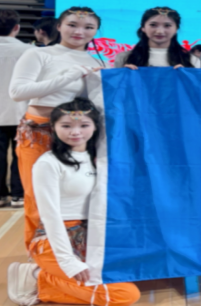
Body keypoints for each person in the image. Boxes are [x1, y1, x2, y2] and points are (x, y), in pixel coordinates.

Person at [7, 98, 140, 306]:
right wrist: (67, 261)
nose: (75, 132)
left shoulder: (101, 160)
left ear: (95, 127)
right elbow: (50, 216)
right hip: (56, 240)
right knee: (125, 295)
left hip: (92, 238)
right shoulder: (48, 163)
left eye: (84, 125)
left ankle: (40, 276)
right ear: (53, 127)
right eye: (66, 126)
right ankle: (37, 278)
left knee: (133, 277)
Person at [9, 7, 105, 249]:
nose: (79, 31)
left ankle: (71, 252)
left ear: (96, 31)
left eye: (88, 27)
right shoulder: (38, 54)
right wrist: (68, 76)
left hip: (78, 137)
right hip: (39, 132)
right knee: (38, 195)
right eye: (72, 24)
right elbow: (17, 92)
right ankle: (38, 255)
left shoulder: (97, 61)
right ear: (59, 26)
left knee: (76, 195)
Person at [0, 10, 28, 208]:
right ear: (17, 27)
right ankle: (18, 195)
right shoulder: (30, 51)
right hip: (22, 111)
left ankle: (1, 195)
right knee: (21, 154)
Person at [114, 7, 200, 69]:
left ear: (176, 29)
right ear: (143, 27)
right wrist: (124, 76)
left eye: (167, 25)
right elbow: (115, 87)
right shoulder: (124, 58)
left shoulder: (190, 60)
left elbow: (199, 88)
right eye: (153, 25)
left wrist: (186, 77)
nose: (160, 31)